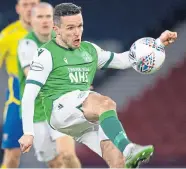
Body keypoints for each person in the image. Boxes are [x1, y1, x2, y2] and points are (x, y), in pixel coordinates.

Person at [18, 3, 177, 168]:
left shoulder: (89, 50)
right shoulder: (46, 54)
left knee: (118, 161)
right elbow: (29, 94)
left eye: (79, 26)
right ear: (56, 30)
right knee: (104, 103)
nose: (76, 32)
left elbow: (124, 60)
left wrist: (158, 44)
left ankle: (125, 153)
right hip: (59, 111)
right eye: (70, 28)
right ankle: (129, 147)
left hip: (81, 118)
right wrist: (28, 132)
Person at [17, 2, 81, 168]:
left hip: (60, 108)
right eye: (40, 17)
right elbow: (33, 77)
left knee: (67, 154)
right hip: (37, 112)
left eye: (48, 16)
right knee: (54, 162)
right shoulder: (26, 45)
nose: (45, 21)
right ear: (31, 20)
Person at [0, 0, 40, 167]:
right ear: (18, 8)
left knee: (60, 156)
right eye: (25, 4)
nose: (29, 8)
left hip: (47, 100)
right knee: (12, 156)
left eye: (33, 4)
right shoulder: (7, 35)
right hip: (18, 100)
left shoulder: (53, 33)